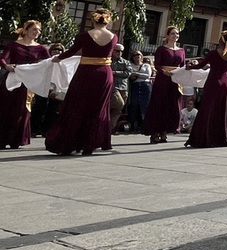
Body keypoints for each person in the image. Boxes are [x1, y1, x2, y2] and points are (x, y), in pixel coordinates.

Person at [46, 9, 118, 156]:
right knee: (98, 109)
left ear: (93, 20)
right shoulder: (113, 37)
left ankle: (70, 143)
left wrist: (57, 58)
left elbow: (72, 51)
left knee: (77, 106)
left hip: (86, 73)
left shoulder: (85, 35)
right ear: (108, 20)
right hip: (105, 74)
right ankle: (89, 145)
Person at [0, 19, 50, 149]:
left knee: (22, 110)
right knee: (6, 108)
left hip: (28, 82)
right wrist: (7, 66)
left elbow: (48, 63)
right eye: (34, 29)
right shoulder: (14, 45)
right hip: (13, 80)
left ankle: (16, 140)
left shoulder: (40, 48)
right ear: (26, 30)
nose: (37, 32)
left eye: (39, 30)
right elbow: (2, 59)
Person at [185, 31, 227, 148]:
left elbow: (200, 65)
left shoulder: (213, 53)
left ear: (220, 41)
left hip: (213, 81)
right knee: (220, 110)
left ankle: (203, 137)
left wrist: (189, 67)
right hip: (225, 83)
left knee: (206, 109)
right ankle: (218, 138)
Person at [126, 50, 153, 134]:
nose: (137, 57)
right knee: (134, 104)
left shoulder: (146, 65)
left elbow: (147, 75)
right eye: (135, 56)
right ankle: (133, 124)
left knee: (145, 105)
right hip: (135, 86)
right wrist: (139, 74)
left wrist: (137, 74)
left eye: (139, 55)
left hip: (145, 86)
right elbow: (129, 75)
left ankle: (143, 125)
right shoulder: (130, 65)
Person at [109, 44, 130, 133]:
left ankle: (109, 127)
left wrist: (114, 72)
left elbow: (127, 73)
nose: (119, 53)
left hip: (123, 87)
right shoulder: (109, 61)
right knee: (119, 103)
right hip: (113, 87)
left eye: (121, 51)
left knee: (118, 109)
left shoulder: (125, 62)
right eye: (117, 51)